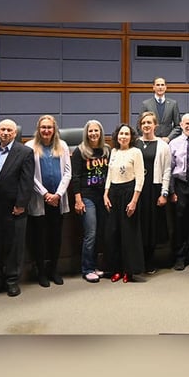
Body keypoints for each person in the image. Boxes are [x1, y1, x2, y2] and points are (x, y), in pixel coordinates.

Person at [0, 119, 34, 299]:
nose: (5, 133)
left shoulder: (25, 152)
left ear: (15, 133)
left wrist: (20, 204)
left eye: (9, 130)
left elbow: (27, 182)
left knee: (14, 246)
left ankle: (12, 281)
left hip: (14, 208)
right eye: (2, 129)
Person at [26, 115, 71, 288]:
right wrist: (45, 194)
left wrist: (58, 194)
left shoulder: (63, 145)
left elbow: (67, 172)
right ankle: (41, 272)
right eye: (43, 127)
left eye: (49, 127)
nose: (46, 130)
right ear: (38, 129)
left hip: (58, 200)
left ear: (54, 129)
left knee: (56, 237)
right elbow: (29, 175)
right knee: (39, 238)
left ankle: (54, 270)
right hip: (39, 200)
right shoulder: (30, 147)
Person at [104, 123, 146, 283]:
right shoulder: (113, 151)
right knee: (113, 233)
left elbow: (140, 178)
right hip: (113, 193)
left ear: (131, 137)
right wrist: (105, 194)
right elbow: (109, 174)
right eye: (121, 134)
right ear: (117, 136)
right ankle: (116, 269)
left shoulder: (136, 152)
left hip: (129, 193)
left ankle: (129, 270)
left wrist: (134, 201)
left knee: (128, 234)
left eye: (126, 134)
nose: (123, 136)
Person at [71, 120, 110, 283]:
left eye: (96, 131)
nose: (93, 133)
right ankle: (87, 269)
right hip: (87, 196)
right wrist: (78, 199)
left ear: (100, 132)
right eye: (90, 131)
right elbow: (76, 177)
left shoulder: (107, 150)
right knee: (91, 233)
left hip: (103, 196)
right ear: (86, 133)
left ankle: (94, 266)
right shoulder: (80, 151)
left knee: (100, 232)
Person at [136, 111, 172, 273]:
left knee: (151, 226)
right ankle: (137, 260)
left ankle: (149, 260)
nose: (146, 126)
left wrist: (164, 193)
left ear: (155, 125)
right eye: (144, 123)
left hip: (153, 188)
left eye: (149, 123)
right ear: (140, 125)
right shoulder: (134, 143)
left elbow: (167, 170)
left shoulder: (163, 146)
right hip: (137, 190)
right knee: (138, 225)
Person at [168, 114, 189, 271]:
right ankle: (180, 257)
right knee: (180, 222)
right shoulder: (174, 143)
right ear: (181, 124)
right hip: (180, 185)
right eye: (187, 123)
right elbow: (170, 168)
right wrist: (172, 191)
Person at [141, 76, 181, 141]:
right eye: (158, 85)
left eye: (162, 85)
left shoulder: (173, 104)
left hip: (167, 142)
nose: (160, 87)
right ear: (153, 87)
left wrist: (169, 138)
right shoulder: (146, 104)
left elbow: (178, 126)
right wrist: (149, 137)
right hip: (150, 140)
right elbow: (139, 125)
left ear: (166, 87)